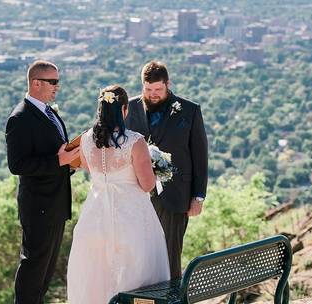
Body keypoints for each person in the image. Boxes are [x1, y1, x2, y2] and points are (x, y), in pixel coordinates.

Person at [66, 85, 170, 304]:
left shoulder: (85, 140)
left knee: (96, 275)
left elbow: (89, 168)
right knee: (138, 274)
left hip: (94, 219)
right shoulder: (135, 142)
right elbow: (147, 185)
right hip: (131, 219)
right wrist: (154, 167)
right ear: (124, 110)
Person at [125, 60, 208, 280]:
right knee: (139, 258)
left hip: (175, 196)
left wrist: (198, 197)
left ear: (168, 84)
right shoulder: (129, 109)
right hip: (136, 196)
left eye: (158, 90)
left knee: (170, 258)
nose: (153, 94)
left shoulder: (189, 110)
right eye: (148, 89)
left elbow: (200, 157)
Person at [6, 60, 81, 304]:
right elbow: (17, 165)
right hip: (38, 205)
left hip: (57, 203)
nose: (57, 87)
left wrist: (71, 163)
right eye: (53, 82)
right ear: (36, 83)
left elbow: (56, 153)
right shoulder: (20, 118)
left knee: (45, 273)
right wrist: (58, 162)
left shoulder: (49, 112)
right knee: (33, 267)